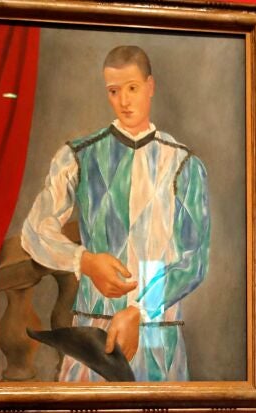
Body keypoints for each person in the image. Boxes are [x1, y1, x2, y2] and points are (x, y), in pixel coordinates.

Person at [19, 45, 211, 381]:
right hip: (93, 336)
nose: (124, 101)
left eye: (132, 88)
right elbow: (35, 230)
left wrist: (139, 310)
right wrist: (85, 261)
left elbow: (194, 259)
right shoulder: (78, 155)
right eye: (113, 91)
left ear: (150, 86)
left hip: (157, 336)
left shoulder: (184, 164)